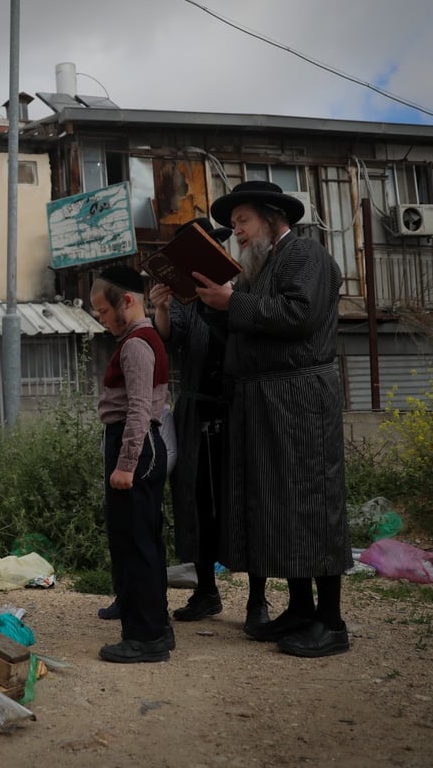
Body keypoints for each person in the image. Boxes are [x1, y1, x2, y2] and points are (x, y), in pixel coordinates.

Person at [194, 180, 352, 658]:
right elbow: (248, 323)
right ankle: (301, 608)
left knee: (310, 501)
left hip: (301, 399)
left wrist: (232, 302)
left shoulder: (305, 254)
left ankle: (332, 621)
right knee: (280, 508)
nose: (236, 231)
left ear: (272, 217)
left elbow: (297, 315)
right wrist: (214, 303)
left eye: (242, 221)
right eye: (235, 224)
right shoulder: (257, 268)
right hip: (265, 400)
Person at [149, 218, 269, 634]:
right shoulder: (185, 298)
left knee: (245, 499)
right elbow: (171, 338)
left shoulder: (245, 289)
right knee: (195, 501)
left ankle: (258, 599)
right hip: (195, 409)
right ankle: (206, 592)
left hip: (237, 408)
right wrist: (162, 306)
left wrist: (228, 301)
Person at [90, 264, 175, 663]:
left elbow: (140, 410)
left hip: (135, 446)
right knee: (138, 540)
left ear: (127, 301)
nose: (102, 320)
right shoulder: (141, 338)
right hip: (136, 445)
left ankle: (146, 638)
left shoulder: (138, 343)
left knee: (138, 542)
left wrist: (126, 463)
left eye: (104, 312)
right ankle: (154, 625)